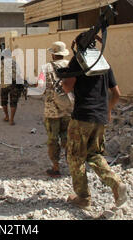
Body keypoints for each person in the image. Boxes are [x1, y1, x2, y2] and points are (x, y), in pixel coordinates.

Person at [61, 46, 127, 209]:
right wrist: (108, 110)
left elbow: (67, 87)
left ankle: (83, 197)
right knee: (94, 154)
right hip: (100, 117)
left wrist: (65, 77)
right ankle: (116, 184)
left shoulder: (77, 61)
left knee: (75, 157)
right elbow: (117, 93)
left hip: (82, 117)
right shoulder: (103, 62)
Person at [37, 42, 74, 178]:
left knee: (53, 139)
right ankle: (72, 165)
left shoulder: (46, 67)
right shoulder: (71, 66)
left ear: (53, 54)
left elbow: (40, 87)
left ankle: (56, 167)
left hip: (52, 111)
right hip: (69, 108)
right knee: (67, 137)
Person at [0, 49, 23, 126]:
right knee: (13, 102)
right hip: (14, 85)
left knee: (4, 101)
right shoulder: (15, 63)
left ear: (4, 55)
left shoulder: (0, 64)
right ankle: (11, 120)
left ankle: (7, 116)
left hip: (4, 86)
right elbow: (19, 75)